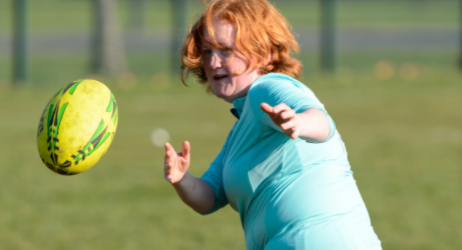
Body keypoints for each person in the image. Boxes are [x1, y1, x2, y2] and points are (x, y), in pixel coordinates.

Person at [163, 0, 382, 249]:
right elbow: (209, 197)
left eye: (225, 50)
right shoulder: (240, 133)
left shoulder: (267, 88)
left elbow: (322, 124)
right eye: (207, 52)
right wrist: (182, 179)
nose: (213, 63)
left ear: (264, 54)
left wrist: (298, 122)